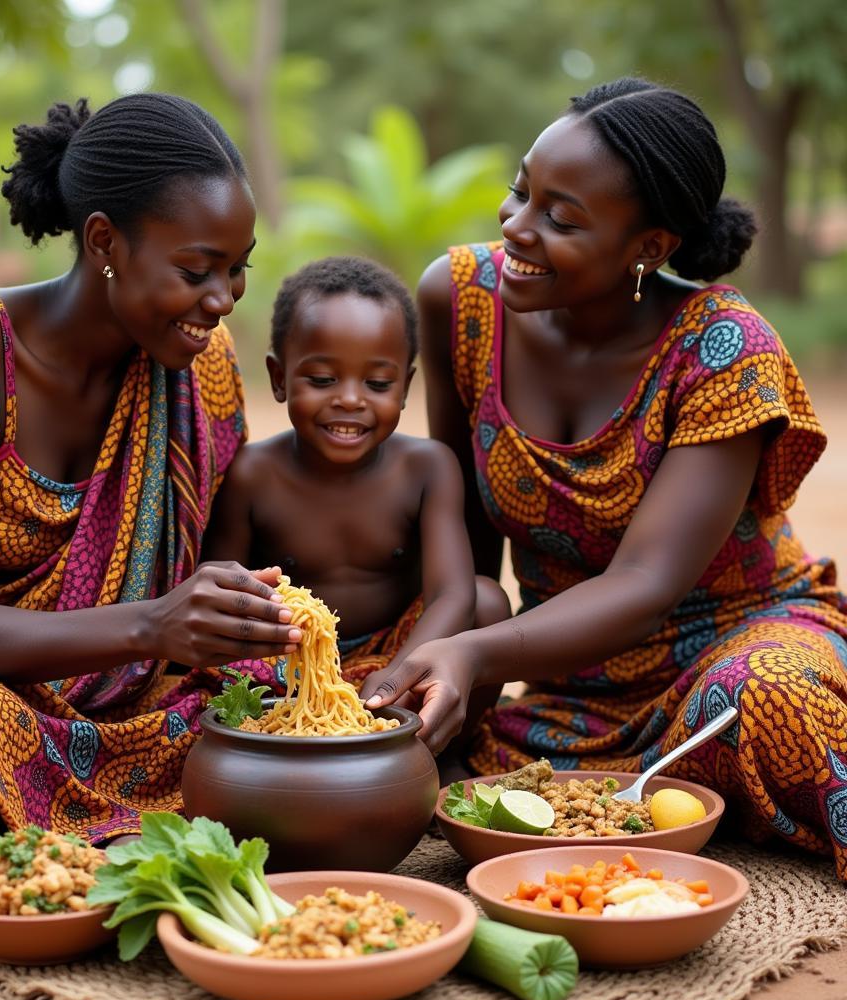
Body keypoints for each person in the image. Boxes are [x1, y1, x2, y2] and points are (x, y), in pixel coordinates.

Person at [0, 93, 304, 917]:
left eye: (237, 267)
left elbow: (208, 571)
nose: (223, 297)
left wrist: (238, 620)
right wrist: (153, 624)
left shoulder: (201, 364)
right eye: (196, 270)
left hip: (128, 693)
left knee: (290, 695)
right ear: (105, 242)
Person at [362, 78, 847, 877]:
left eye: (561, 219)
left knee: (769, 699)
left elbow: (647, 582)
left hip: (728, 651)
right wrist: (451, 670)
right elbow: (464, 532)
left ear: (649, 248)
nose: (516, 226)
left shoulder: (724, 350)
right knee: (359, 685)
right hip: (561, 684)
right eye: (521, 191)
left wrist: (479, 657)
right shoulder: (461, 298)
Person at [202, 257, 510, 751]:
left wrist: (399, 673)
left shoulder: (427, 468)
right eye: (322, 380)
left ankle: (440, 753)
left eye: (377, 384)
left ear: (406, 388)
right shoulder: (253, 474)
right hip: (289, 666)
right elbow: (227, 590)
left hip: (398, 655)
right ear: (279, 378)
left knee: (488, 602)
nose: (350, 399)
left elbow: (453, 594)